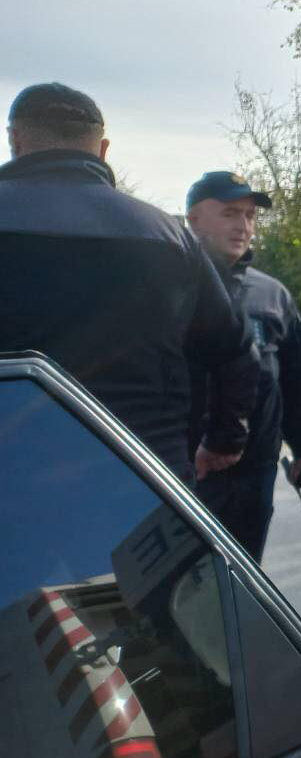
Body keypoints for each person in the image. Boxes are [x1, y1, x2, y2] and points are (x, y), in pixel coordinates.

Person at [0, 83, 257, 483]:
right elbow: (234, 348)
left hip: (12, 478)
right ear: (102, 149)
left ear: (15, 139)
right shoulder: (168, 237)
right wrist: (226, 438)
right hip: (143, 482)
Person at [184, 170, 301, 562]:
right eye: (230, 213)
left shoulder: (272, 294)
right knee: (184, 588)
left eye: (249, 216)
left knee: (243, 586)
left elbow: (295, 378)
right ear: (194, 220)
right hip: (189, 470)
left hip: (255, 471)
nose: (243, 226)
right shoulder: (168, 287)